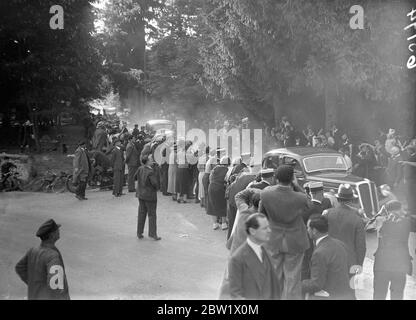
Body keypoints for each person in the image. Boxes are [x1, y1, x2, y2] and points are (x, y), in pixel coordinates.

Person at [259, 165, 311, 300]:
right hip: (295, 241)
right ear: (292, 178)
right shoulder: (300, 197)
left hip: (273, 240)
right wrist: (297, 185)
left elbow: (261, 215)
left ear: (276, 178)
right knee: (292, 279)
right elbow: (310, 206)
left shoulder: (265, 194)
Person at [323, 184, 366, 298]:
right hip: (350, 262)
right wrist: (359, 266)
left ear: (337, 198)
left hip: (329, 260)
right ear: (352, 199)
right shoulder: (357, 219)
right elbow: (361, 247)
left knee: (329, 292)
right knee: (351, 293)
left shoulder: (327, 214)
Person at [228, 213, 281, 300]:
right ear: (252, 231)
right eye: (264, 228)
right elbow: (235, 295)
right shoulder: (237, 259)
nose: (269, 231)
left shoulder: (266, 251)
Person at [15, 219, 70, 300]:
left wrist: (34, 284)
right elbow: (56, 286)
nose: (58, 231)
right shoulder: (52, 255)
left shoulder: (32, 250)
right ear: (52, 235)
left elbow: (19, 268)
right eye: (56, 230)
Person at [302, 215, 353, 300]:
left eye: (308, 228)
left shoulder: (319, 253)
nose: (307, 230)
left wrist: (297, 284)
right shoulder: (340, 244)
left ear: (314, 230)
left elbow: (316, 284)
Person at [373, 200, 412, 300]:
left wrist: (380, 214)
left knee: (379, 295)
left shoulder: (381, 221)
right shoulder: (406, 222)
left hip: (381, 265)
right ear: (398, 210)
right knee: (397, 295)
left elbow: (367, 227)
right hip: (400, 265)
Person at [301, 182, 332, 280]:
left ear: (310, 193)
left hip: (307, 242)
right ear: (322, 192)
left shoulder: (305, 209)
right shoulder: (327, 203)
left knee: (306, 265)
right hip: (323, 242)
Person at [136, 154, 161, 241]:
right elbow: (155, 184)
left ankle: (139, 232)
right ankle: (153, 234)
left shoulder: (140, 168)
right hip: (150, 195)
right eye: (150, 160)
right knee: (152, 215)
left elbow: (135, 177)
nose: (152, 161)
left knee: (141, 214)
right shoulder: (150, 172)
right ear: (147, 162)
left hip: (141, 194)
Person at [207, 156, 230, 230]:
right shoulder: (227, 170)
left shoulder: (215, 168)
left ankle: (215, 224)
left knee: (212, 204)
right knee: (222, 204)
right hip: (221, 188)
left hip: (211, 187)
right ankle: (223, 224)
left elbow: (210, 178)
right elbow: (228, 180)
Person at [400, 145, 416, 216]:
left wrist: (406, 162)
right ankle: (410, 208)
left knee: (412, 195)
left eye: (408, 150)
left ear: (412, 150)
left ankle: (413, 210)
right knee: (408, 195)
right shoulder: (409, 157)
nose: (407, 151)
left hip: (413, 179)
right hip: (407, 179)